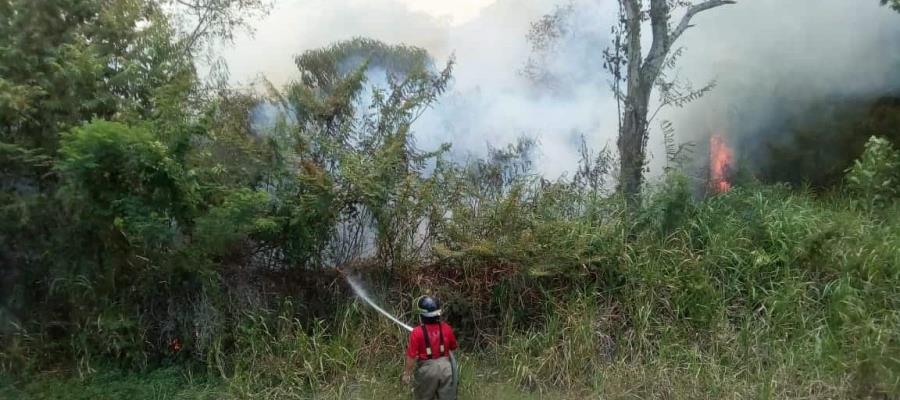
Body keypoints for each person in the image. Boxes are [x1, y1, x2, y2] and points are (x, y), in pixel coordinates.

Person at [402, 295, 458, 400]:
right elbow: (453, 347)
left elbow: (411, 356)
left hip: (427, 371)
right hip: (447, 370)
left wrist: (407, 374)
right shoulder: (447, 328)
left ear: (422, 316)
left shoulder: (417, 332)